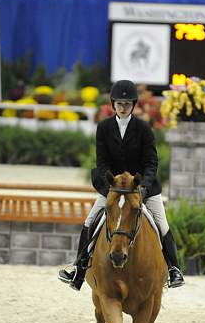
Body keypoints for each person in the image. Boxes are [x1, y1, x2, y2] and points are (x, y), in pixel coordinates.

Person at [58, 79, 185, 290]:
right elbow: (102, 163)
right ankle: (78, 269)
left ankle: (174, 269)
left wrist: (143, 187)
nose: (123, 107)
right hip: (115, 188)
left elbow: (151, 162)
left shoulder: (143, 128)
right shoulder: (104, 128)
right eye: (119, 103)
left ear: (133, 105)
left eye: (127, 104)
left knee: (161, 224)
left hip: (142, 187)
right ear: (113, 104)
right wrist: (111, 188)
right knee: (90, 221)